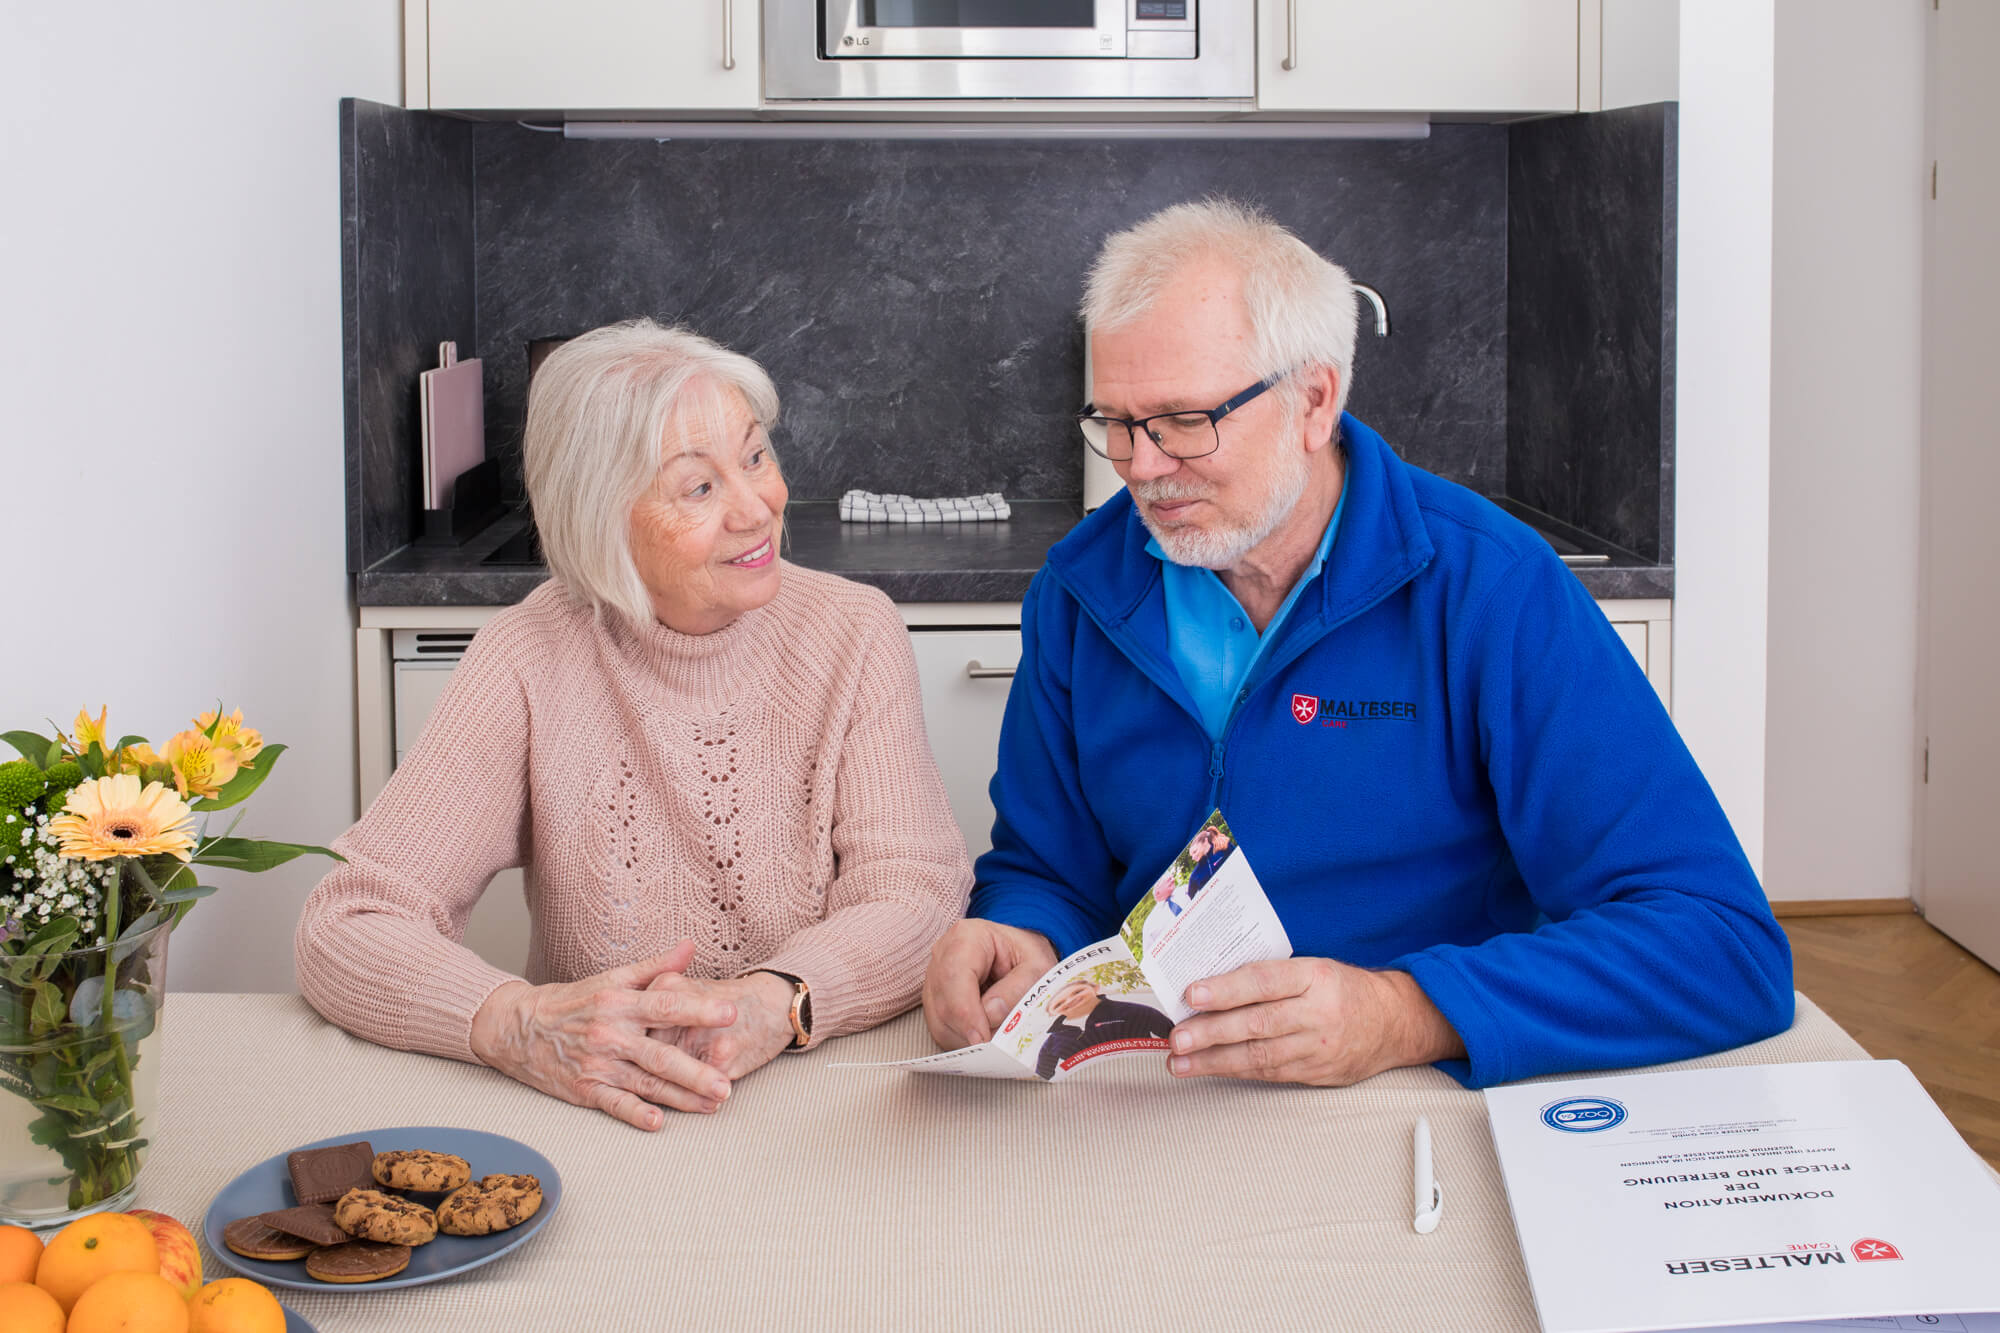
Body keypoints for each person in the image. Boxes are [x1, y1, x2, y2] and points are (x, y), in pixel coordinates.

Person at [921, 200, 1792, 1090]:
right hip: (1158, 1095)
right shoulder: (1078, 590)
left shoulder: (1493, 587)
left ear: (1314, 399)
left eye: (1183, 420)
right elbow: (1046, 870)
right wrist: (1016, 936)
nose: (1138, 466)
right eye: (1116, 420)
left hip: (1417, 1092)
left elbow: (1721, 943)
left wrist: (1405, 1012)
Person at [298, 319, 972, 1130]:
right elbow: (349, 922)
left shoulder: (853, 631)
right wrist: (519, 1023)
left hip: (825, 1090)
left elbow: (918, 893)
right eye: (698, 487)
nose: (758, 507)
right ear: (603, 516)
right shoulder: (526, 656)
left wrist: (771, 1003)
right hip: (605, 1109)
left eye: (756, 455)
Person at [1033, 980, 1174, 1080]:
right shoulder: (1052, 1042)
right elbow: (1043, 1076)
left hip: (1145, 1076)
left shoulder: (1133, 1011)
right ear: (1052, 1013)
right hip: (1091, 1091)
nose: (1070, 1001)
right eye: (1059, 1004)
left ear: (1095, 988)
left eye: (1077, 991)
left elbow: (1172, 1035)